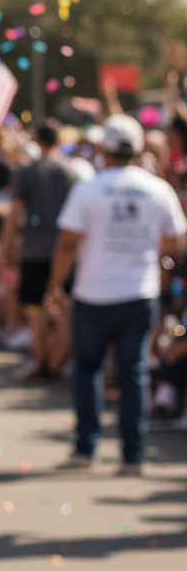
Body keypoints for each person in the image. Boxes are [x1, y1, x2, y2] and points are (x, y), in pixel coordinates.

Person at [46, 115, 187, 475]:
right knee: (133, 373)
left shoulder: (89, 189)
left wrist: (55, 287)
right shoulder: (157, 188)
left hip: (93, 293)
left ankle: (85, 448)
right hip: (138, 294)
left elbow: (67, 243)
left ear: (103, 150)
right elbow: (175, 241)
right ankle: (132, 456)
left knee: (88, 370)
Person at [1, 123, 79, 378]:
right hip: (64, 250)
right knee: (63, 306)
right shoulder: (71, 171)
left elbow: (14, 213)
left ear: (38, 140)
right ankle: (57, 360)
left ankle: (43, 359)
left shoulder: (29, 171)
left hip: (35, 250)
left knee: (35, 307)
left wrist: (5, 247)